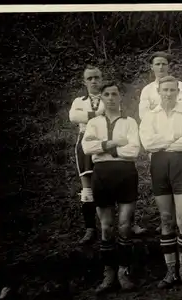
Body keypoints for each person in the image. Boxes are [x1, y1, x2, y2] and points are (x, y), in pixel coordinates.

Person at [139, 75, 182, 288]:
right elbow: (147, 143)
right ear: (159, 92)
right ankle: (170, 271)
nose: (169, 93)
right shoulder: (150, 116)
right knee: (166, 219)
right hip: (159, 165)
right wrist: (174, 141)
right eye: (165, 90)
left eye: (172, 90)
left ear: (178, 92)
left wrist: (163, 144)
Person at [81, 81, 141, 293]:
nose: (111, 98)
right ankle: (108, 273)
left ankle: (124, 271)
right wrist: (114, 143)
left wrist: (105, 148)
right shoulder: (94, 122)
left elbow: (134, 151)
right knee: (106, 226)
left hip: (125, 173)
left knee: (124, 225)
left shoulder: (130, 122)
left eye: (114, 94)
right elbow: (87, 147)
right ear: (102, 98)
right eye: (107, 94)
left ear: (120, 97)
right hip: (102, 175)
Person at [69, 65, 105, 245]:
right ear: (84, 82)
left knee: (109, 181)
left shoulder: (109, 97)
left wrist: (88, 116)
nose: (93, 81)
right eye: (90, 78)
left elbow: (113, 114)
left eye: (97, 77)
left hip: (105, 141)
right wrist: (97, 114)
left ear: (101, 79)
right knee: (87, 186)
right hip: (84, 142)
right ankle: (90, 228)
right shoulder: (78, 101)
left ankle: (123, 224)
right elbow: (73, 117)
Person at [139, 51, 182, 120]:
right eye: (157, 64)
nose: (161, 67)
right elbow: (143, 115)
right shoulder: (147, 90)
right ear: (152, 67)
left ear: (168, 66)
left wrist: (154, 107)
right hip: (155, 126)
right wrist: (171, 105)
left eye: (164, 64)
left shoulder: (179, 85)